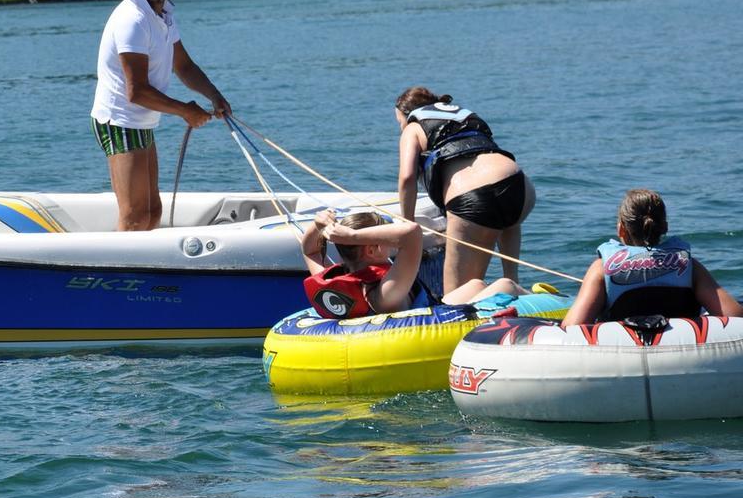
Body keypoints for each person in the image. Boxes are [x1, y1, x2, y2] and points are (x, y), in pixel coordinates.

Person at [91, 0, 231, 231]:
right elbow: (137, 91)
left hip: (141, 120)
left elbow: (183, 66)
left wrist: (214, 95)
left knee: (153, 212)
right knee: (134, 217)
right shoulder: (132, 19)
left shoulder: (164, 13)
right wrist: (185, 111)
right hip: (118, 120)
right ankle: (121, 273)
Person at [394, 86, 534, 297]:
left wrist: (407, 226)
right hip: (520, 188)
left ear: (407, 115)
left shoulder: (413, 127)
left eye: (399, 122)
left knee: (456, 298)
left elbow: (407, 178)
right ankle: (512, 284)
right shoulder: (464, 116)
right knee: (506, 228)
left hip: (475, 200)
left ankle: (505, 289)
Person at [300, 209, 527, 319]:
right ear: (372, 249)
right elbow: (411, 234)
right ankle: (558, 312)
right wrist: (352, 236)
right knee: (506, 284)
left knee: (476, 284)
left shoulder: (343, 282)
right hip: (437, 320)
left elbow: (310, 250)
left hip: (436, 305)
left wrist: (318, 224)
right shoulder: (385, 291)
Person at [562, 189, 742, 326]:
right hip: (682, 354)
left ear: (621, 229)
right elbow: (735, 317)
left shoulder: (601, 268)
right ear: (665, 227)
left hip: (620, 357)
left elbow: (572, 327)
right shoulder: (689, 266)